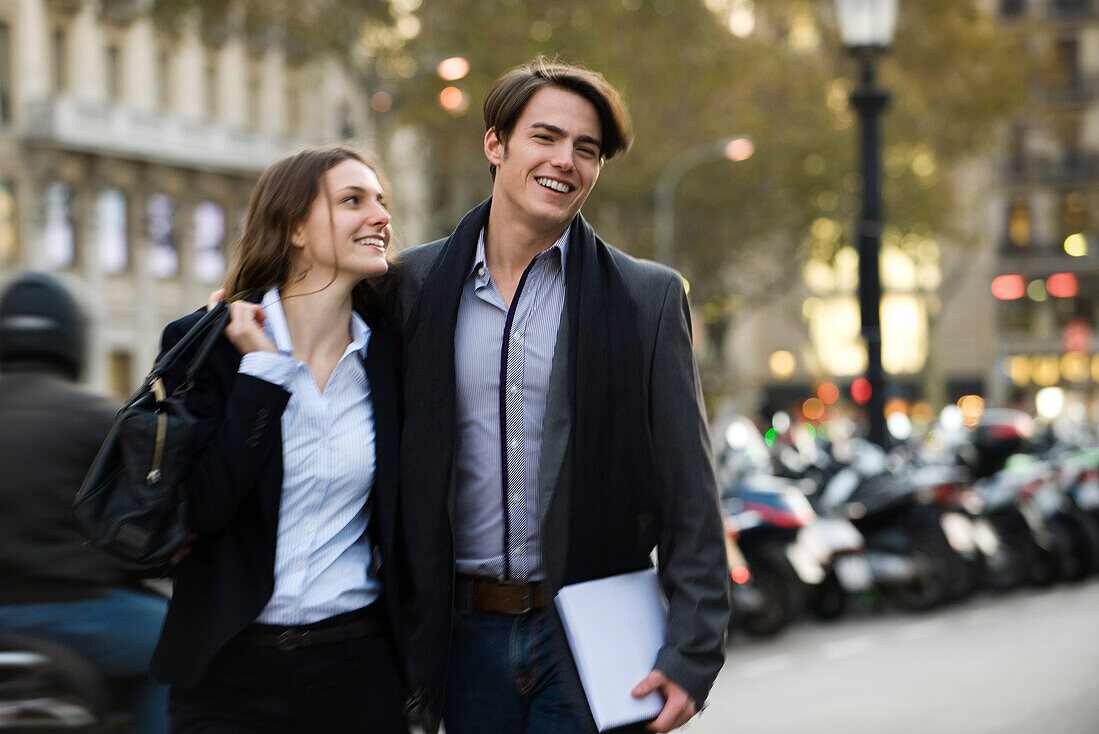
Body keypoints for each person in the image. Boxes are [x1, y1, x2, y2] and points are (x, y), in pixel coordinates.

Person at [397, 58, 729, 733]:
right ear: (496, 144)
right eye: (545, 137)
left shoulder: (647, 298)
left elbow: (688, 492)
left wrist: (692, 653)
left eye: (588, 149)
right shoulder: (413, 286)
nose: (566, 162)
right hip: (459, 636)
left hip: (593, 634)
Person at [151, 145, 407, 733]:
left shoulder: (394, 354)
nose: (379, 216)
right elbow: (205, 506)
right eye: (352, 200)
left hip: (359, 668)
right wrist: (262, 376)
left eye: (381, 201)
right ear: (293, 227)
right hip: (227, 674)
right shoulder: (204, 344)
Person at [0, 271, 169, 733]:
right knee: (174, 641)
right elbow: (139, 530)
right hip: (78, 612)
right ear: (73, 338)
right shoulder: (97, 419)